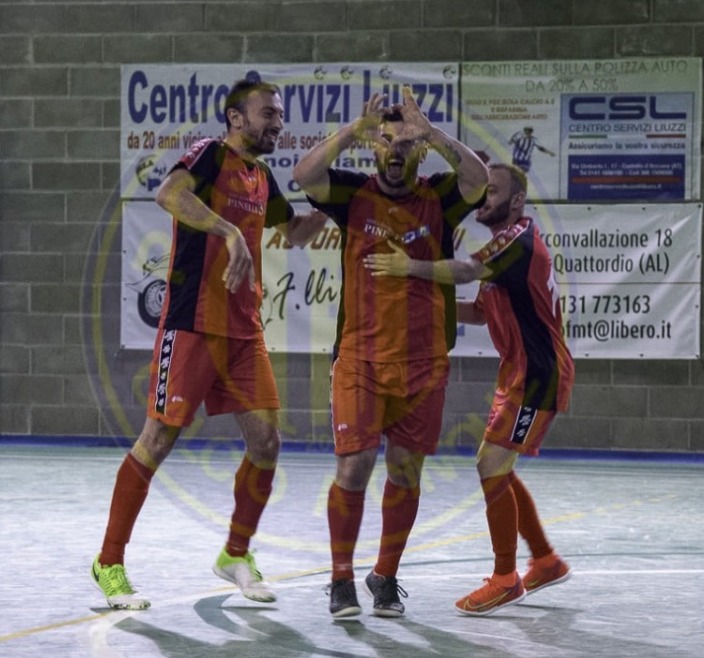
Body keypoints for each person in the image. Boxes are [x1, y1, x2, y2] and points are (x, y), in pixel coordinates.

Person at [90, 78, 327, 610]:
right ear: (236, 118)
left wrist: (329, 213)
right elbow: (168, 194)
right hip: (192, 325)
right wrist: (229, 231)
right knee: (157, 440)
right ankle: (109, 562)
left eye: (280, 114)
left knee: (266, 443)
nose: (278, 122)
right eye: (268, 113)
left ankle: (235, 554)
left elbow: (293, 232)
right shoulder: (209, 156)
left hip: (244, 330)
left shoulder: (262, 177)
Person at [292, 86, 488, 618]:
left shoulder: (439, 197)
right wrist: (353, 131)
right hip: (360, 359)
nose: (394, 150)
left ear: (419, 151)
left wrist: (434, 133)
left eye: (405, 143)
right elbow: (304, 175)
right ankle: (340, 580)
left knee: (405, 471)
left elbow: (479, 180)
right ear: (373, 148)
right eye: (384, 141)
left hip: (425, 363)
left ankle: (385, 576)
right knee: (354, 467)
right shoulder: (351, 194)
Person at [364, 162, 575, 616]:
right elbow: (478, 312)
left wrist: (408, 267)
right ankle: (545, 560)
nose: (483, 198)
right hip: (517, 372)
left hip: (538, 374)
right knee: (499, 467)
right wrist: (417, 303)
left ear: (516, 201)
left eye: (492, 191)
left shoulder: (514, 241)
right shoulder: (508, 248)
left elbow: (463, 270)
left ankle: (506, 579)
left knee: (491, 465)